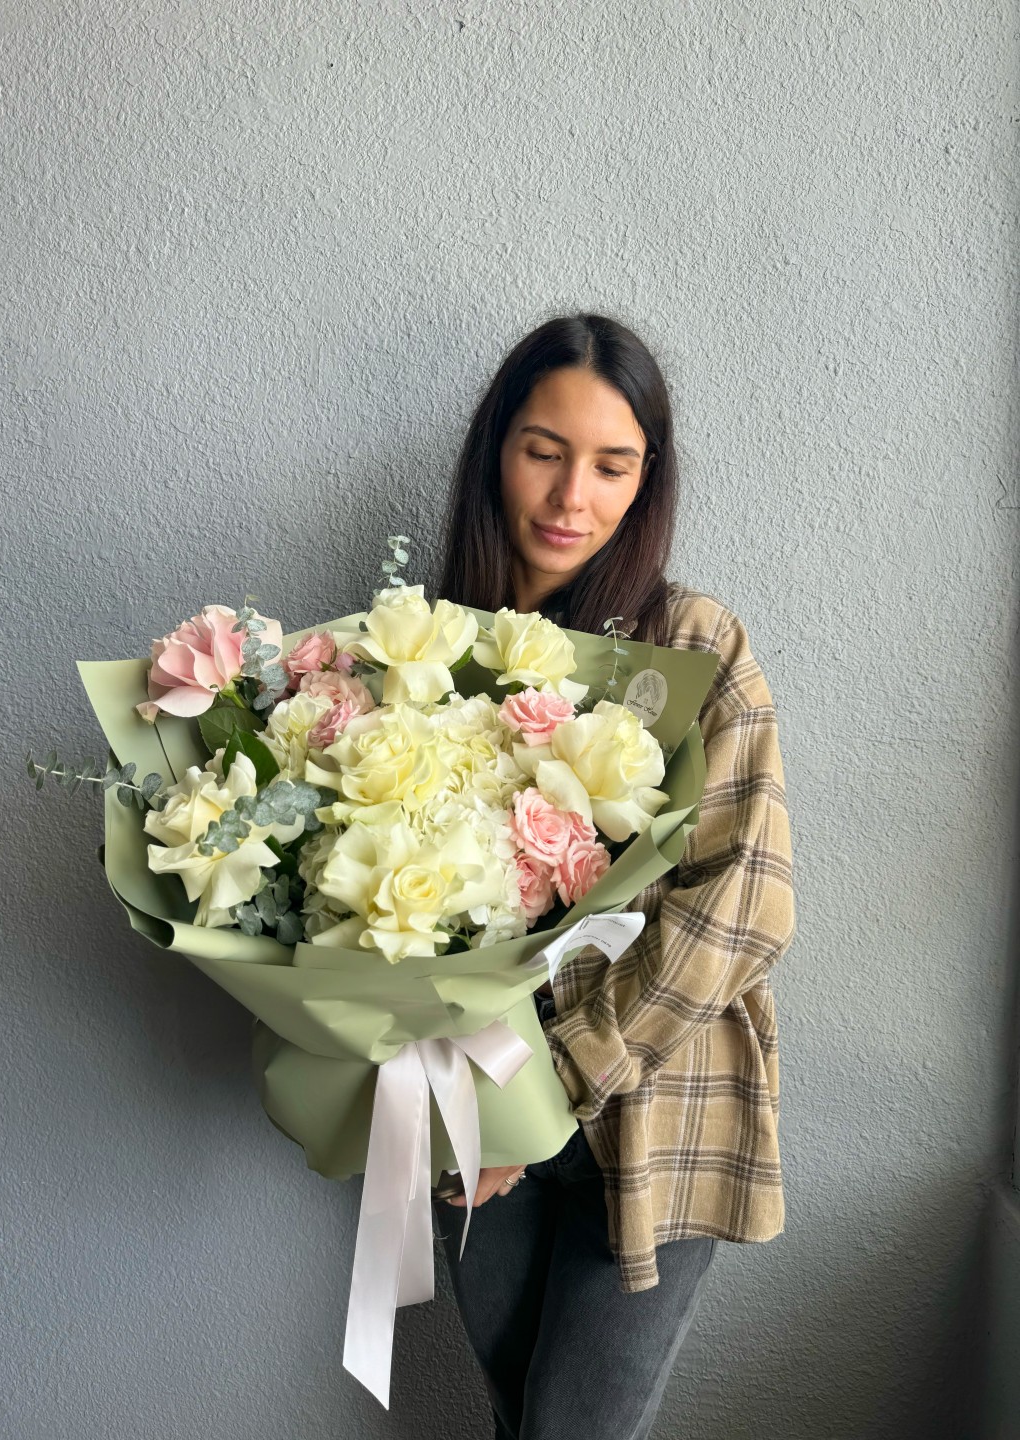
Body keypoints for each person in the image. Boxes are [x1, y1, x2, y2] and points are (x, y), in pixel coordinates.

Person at [429, 313, 797, 1440]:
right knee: (517, 1418)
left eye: (610, 464)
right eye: (543, 451)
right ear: (496, 449)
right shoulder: (431, 652)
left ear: (648, 480)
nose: (569, 496)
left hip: (652, 1110)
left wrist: (549, 1086)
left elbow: (742, 906)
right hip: (477, 1105)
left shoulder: (694, 646)